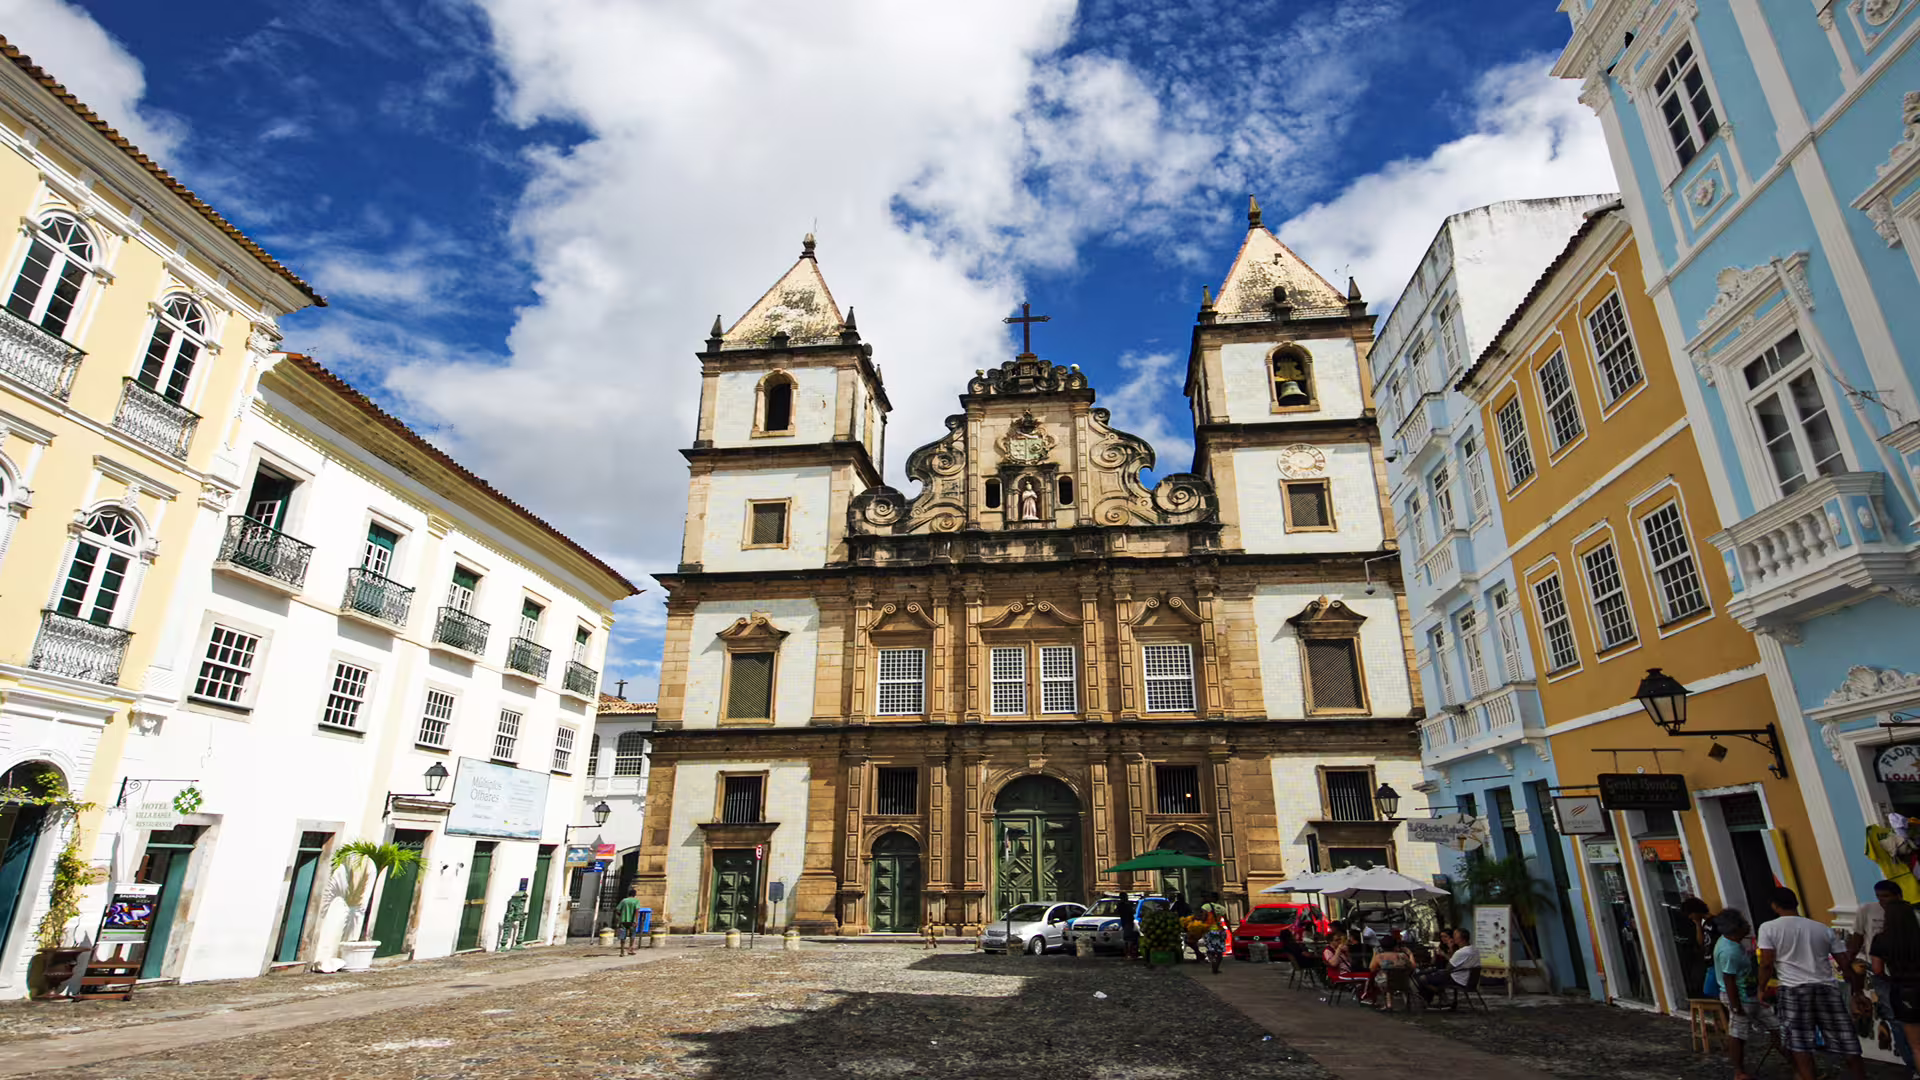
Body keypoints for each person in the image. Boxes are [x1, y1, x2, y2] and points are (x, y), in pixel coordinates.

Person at [1758, 887, 1865, 1080]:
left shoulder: (1768, 928)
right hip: (1826, 988)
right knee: (1846, 1040)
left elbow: (1766, 962)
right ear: (1796, 903)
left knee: (1800, 1044)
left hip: (1793, 990)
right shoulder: (1822, 928)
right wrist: (1857, 992)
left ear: (1774, 906)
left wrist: (1761, 988)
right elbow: (1844, 963)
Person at [1850, 879, 1914, 1074]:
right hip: (1885, 977)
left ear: (1898, 896)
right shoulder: (1867, 911)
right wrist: (1848, 963)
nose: (1883, 901)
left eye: (1886, 896)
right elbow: (1857, 938)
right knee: (1896, 1020)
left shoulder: (1908, 913)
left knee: (1904, 1020)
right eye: (1879, 897)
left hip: (1904, 976)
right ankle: (1912, 1064)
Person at [1714, 908, 1778, 1080]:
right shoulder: (1729, 951)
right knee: (1738, 1034)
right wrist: (1735, 1007)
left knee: (1776, 1027)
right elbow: (1729, 980)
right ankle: (1739, 1072)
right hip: (1740, 997)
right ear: (1735, 929)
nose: (1748, 925)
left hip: (1749, 994)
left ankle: (1799, 1067)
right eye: (1744, 923)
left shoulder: (1733, 943)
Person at [1868, 898, 1920, 1067]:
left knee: (1917, 1046)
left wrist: (1891, 980)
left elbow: (1877, 969)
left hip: (1903, 991)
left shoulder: (1881, 940)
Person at [1419, 927, 1480, 1005]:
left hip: (1457, 979)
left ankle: (1436, 995)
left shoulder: (1461, 952)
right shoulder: (1474, 949)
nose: (1453, 937)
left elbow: (1448, 968)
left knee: (1422, 978)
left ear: (1461, 938)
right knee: (1431, 976)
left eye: (1455, 935)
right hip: (1466, 979)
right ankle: (1438, 994)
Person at [1370, 932, 1415, 1011]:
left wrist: (1374, 954)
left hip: (1386, 983)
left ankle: (1389, 1004)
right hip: (1403, 982)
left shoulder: (1379, 957)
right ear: (1395, 946)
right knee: (1400, 978)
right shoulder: (1402, 955)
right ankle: (1407, 1003)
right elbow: (1412, 967)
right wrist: (1410, 954)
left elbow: (1372, 968)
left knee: (1384, 979)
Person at [614, 886, 642, 956]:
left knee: (622, 936)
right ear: (634, 895)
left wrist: (621, 915)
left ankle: (622, 951)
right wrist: (636, 920)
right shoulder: (636, 901)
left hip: (623, 921)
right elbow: (637, 911)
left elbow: (617, 910)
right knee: (632, 935)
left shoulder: (624, 900)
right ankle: (631, 949)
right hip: (632, 921)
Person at [1203, 909, 1228, 974]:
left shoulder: (1207, 916)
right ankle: (1215, 968)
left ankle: (1214, 965)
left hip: (1211, 934)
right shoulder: (1219, 916)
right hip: (1218, 934)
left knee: (1212, 952)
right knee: (1219, 954)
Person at [1118, 891, 1140, 960]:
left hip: (1126, 922)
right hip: (1127, 922)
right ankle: (1129, 954)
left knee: (1129, 938)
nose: (1127, 898)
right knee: (1129, 939)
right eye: (1126, 896)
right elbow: (1132, 911)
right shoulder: (1124, 905)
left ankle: (1129, 953)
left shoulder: (1121, 905)